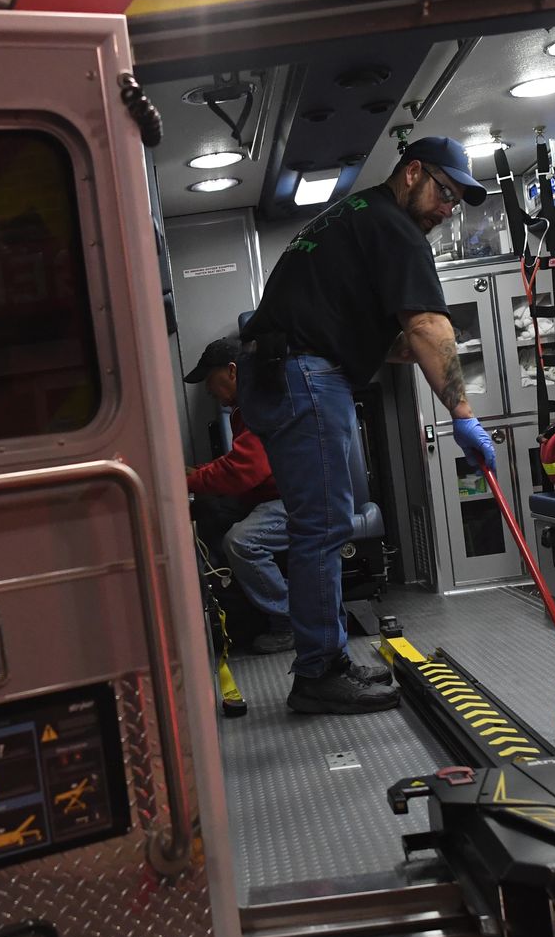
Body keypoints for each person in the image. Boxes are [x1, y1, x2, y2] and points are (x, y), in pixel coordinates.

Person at [239, 136, 498, 715]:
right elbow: (428, 324)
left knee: (317, 524)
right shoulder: (395, 229)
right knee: (325, 526)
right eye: (443, 192)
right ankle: (318, 672)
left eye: (455, 201)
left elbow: (377, 335)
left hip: (275, 370)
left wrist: (428, 349)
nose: (445, 209)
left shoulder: (353, 215)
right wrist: (464, 414)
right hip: (302, 374)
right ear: (412, 173)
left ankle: (324, 659)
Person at [182, 336, 294, 655]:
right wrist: (198, 474)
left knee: (241, 542)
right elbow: (239, 463)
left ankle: (288, 623)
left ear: (232, 372)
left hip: (297, 498)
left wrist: (190, 481)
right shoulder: (245, 408)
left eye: (210, 381)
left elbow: (245, 470)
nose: (208, 390)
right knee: (210, 510)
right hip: (273, 494)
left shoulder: (260, 405)